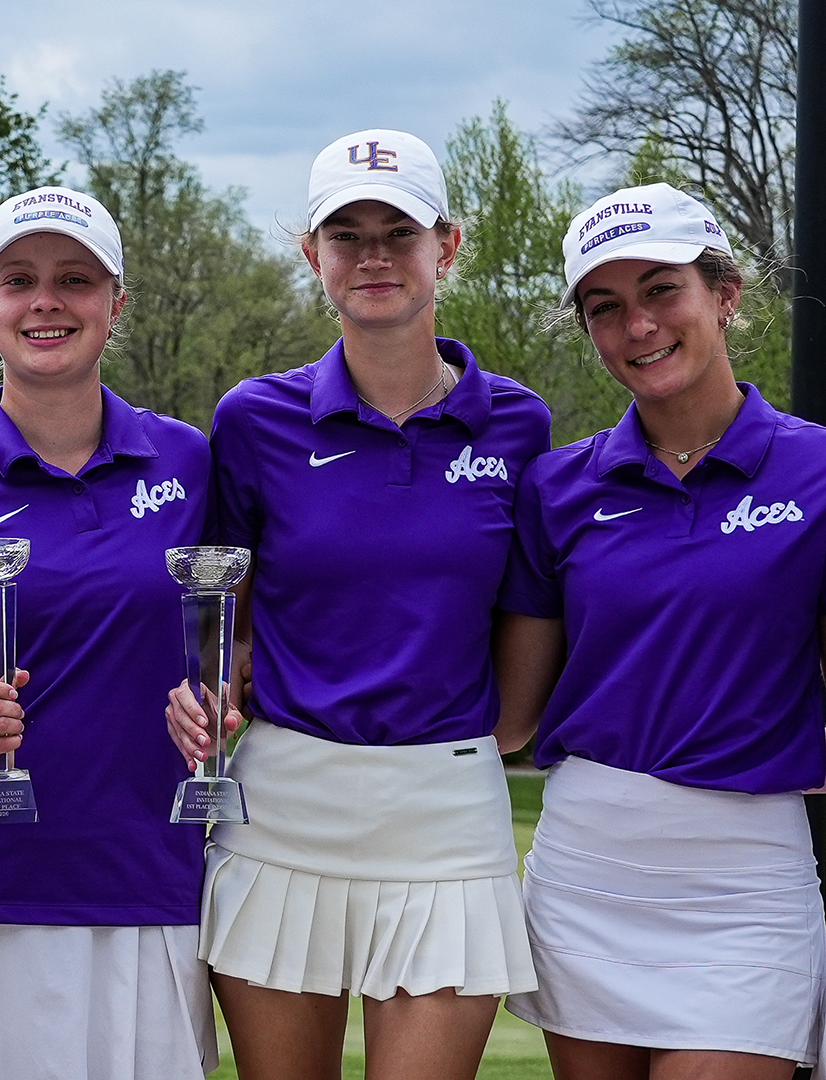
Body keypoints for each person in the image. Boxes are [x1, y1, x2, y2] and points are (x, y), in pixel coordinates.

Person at [174, 129, 548, 1080]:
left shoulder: (518, 423)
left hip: (449, 813)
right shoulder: (253, 419)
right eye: (346, 235)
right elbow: (226, 611)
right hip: (283, 804)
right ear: (313, 253)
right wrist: (218, 683)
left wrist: (482, 737)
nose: (373, 255)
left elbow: (522, 629)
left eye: (399, 233)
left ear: (446, 247)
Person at [0, 186, 219, 1080]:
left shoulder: (190, 462)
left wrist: (223, 698)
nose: (46, 301)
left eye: (75, 280)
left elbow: (231, 637)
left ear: (116, 303)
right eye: (19, 279)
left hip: (148, 894)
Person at [495, 183, 826, 1080]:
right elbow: (512, 718)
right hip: (587, 870)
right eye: (605, 307)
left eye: (661, 289)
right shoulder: (557, 488)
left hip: (747, 883)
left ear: (725, 294)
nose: (637, 325)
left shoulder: (817, 469)